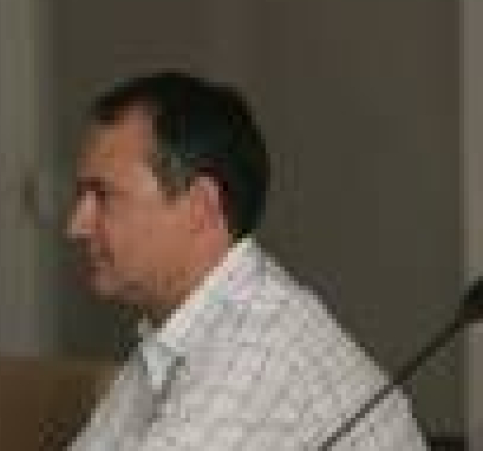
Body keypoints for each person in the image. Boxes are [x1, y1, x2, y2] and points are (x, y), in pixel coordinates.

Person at [65, 71, 428, 450]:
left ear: (201, 206)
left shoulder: (263, 345)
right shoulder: (173, 337)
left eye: (103, 195)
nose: (76, 225)